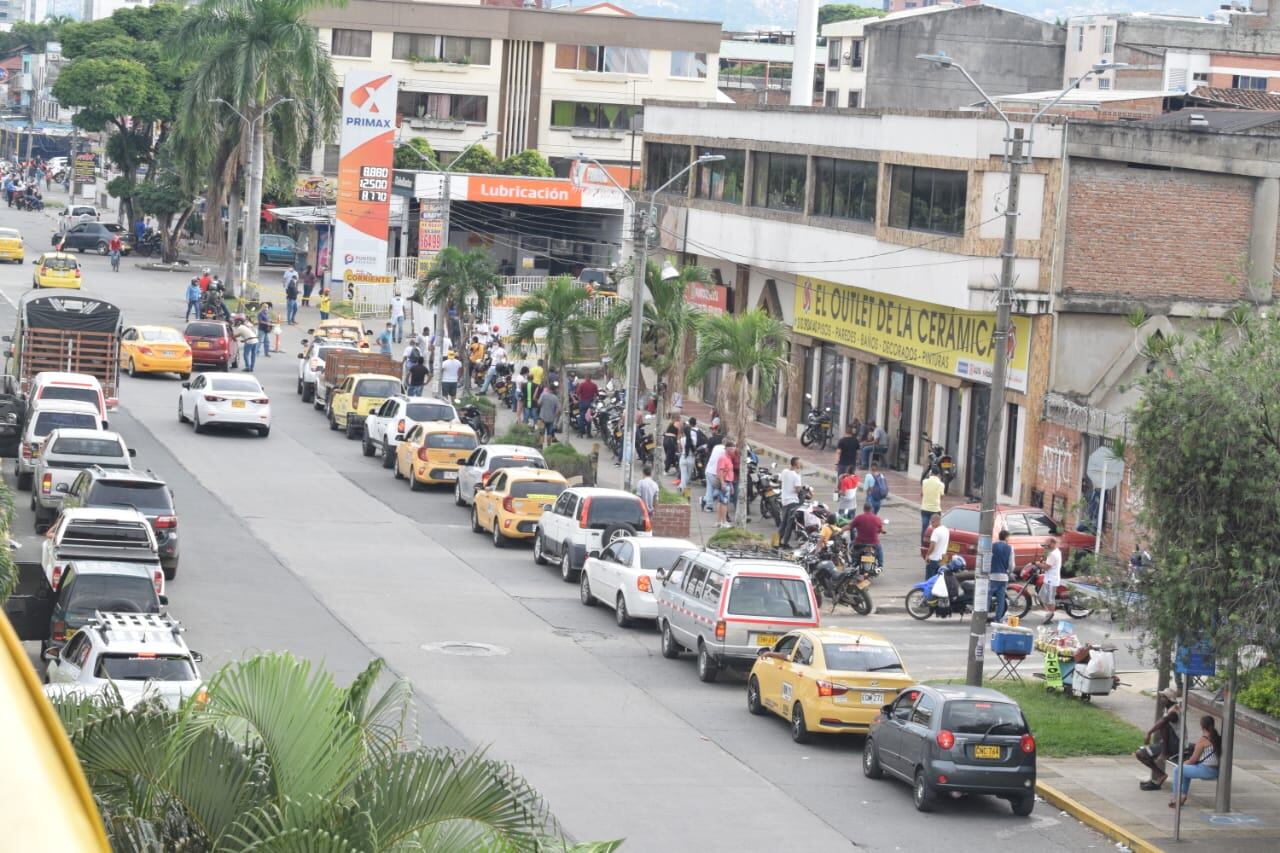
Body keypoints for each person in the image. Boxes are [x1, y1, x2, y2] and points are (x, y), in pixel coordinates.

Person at [1136, 687, 1182, 791]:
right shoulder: (1169, 708)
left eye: (1163, 697)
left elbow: (1163, 722)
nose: (1161, 699)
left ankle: (1161, 771)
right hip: (1169, 743)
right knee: (1141, 752)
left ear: (1168, 699)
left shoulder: (1174, 711)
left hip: (1175, 745)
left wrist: (1149, 733)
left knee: (1141, 753)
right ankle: (1160, 774)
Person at [1169, 716, 1221, 807]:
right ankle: (1183, 796)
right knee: (1185, 771)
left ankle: (1175, 797)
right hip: (1216, 770)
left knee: (1177, 770)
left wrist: (1183, 763)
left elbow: (1193, 760)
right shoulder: (1217, 738)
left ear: (1202, 726)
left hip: (1206, 770)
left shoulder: (1203, 740)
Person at [846, 502, 885, 569]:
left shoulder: (859, 518)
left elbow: (849, 526)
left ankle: (854, 562)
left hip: (860, 542)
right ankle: (880, 565)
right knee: (880, 549)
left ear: (864, 509)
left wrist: (840, 530)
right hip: (874, 543)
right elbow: (881, 529)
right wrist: (883, 531)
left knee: (851, 545)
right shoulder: (877, 519)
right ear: (871, 509)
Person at [777, 456, 804, 546]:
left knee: (783, 523)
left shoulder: (784, 472)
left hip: (784, 500)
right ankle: (785, 543)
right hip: (792, 501)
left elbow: (780, 482)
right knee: (789, 523)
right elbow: (797, 490)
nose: (801, 464)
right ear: (797, 465)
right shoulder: (797, 476)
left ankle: (776, 541)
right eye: (800, 463)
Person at [989, 529, 1013, 622]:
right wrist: (1009, 572)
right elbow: (1011, 565)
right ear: (1006, 537)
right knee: (1001, 599)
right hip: (1003, 577)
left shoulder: (992, 546)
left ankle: (983, 617)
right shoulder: (1010, 548)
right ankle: (998, 618)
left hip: (993, 576)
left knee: (988, 597)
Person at [715, 440, 738, 528]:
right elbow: (720, 471)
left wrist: (731, 484)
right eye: (732, 449)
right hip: (724, 482)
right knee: (724, 503)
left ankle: (719, 521)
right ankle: (723, 521)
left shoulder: (728, 458)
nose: (733, 451)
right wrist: (723, 483)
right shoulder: (723, 458)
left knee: (721, 502)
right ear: (728, 449)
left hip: (728, 482)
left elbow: (729, 471)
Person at [703, 438, 729, 513]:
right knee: (718, 490)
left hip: (709, 470)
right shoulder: (724, 451)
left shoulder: (716, 447)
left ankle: (708, 505)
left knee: (710, 488)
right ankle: (707, 502)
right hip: (715, 472)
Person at [1040, 538, 1062, 624]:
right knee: (1041, 595)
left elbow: (1046, 567)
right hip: (1048, 578)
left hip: (1051, 580)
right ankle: (1049, 612)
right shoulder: (1054, 552)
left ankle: (1050, 615)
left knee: (1050, 599)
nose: (1046, 547)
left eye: (1047, 545)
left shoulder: (1053, 554)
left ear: (1053, 544)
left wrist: (1038, 564)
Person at [924, 512, 949, 581]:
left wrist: (927, 555)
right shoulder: (946, 530)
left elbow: (932, 546)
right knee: (940, 580)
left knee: (930, 581)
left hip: (935, 559)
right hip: (944, 558)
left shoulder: (936, 531)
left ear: (938, 521)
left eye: (933, 522)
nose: (931, 524)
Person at [920, 469, 945, 537]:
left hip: (925, 508)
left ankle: (923, 544)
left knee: (924, 528)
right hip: (935, 509)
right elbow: (941, 497)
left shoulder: (924, 482)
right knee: (936, 529)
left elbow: (922, 494)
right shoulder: (941, 484)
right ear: (938, 475)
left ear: (930, 473)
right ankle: (933, 543)